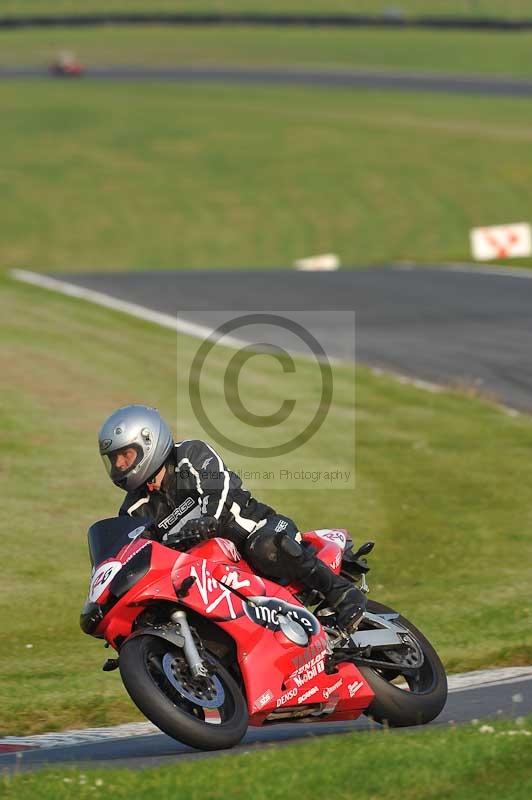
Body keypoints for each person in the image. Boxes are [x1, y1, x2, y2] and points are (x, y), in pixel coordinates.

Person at [98, 404, 365, 633]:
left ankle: (342, 594)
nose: (120, 465)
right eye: (114, 459)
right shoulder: (133, 510)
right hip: (211, 568)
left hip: (257, 531)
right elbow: (136, 551)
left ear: (149, 442)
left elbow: (220, 488)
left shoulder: (190, 454)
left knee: (265, 547)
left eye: (126, 455)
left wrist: (208, 519)